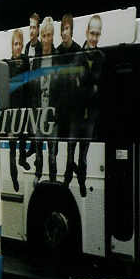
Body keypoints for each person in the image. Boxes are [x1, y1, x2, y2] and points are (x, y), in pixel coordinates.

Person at [73, 15, 103, 197]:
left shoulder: (101, 57)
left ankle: (81, 181)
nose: (94, 38)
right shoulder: (77, 56)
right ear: (86, 33)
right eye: (92, 33)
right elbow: (76, 84)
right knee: (70, 150)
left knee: (83, 155)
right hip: (76, 113)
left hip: (91, 114)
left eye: (97, 34)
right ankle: (70, 174)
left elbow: (98, 85)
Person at [56, 13, 82, 189]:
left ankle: (68, 174)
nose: (64, 33)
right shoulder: (57, 51)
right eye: (62, 29)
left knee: (71, 143)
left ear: (71, 31)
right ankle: (71, 168)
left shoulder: (78, 51)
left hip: (74, 104)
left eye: (67, 29)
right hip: (61, 105)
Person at [31, 16, 58, 183]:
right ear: (41, 37)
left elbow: (62, 89)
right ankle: (38, 174)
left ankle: (53, 180)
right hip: (39, 113)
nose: (47, 39)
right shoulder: (37, 61)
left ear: (53, 36)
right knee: (39, 149)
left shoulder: (58, 57)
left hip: (53, 114)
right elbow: (32, 89)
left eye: (49, 35)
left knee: (52, 153)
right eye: (44, 36)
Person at [6, 29, 30, 191]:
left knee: (22, 139)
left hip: (23, 109)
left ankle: (23, 160)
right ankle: (14, 178)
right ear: (12, 45)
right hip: (11, 112)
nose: (18, 47)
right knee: (12, 148)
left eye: (20, 44)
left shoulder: (26, 62)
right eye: (16, 44)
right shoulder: (8, 65)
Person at [19, 12, 42, 170]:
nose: (32, 30)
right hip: (27, 94)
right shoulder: (26, 47)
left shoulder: (41, 47)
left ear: (38, 29)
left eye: (34, 27)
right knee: (24, 124)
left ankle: (36, 156)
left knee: (36, 125)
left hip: (37, 93)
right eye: (30, 27)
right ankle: (24, 155)